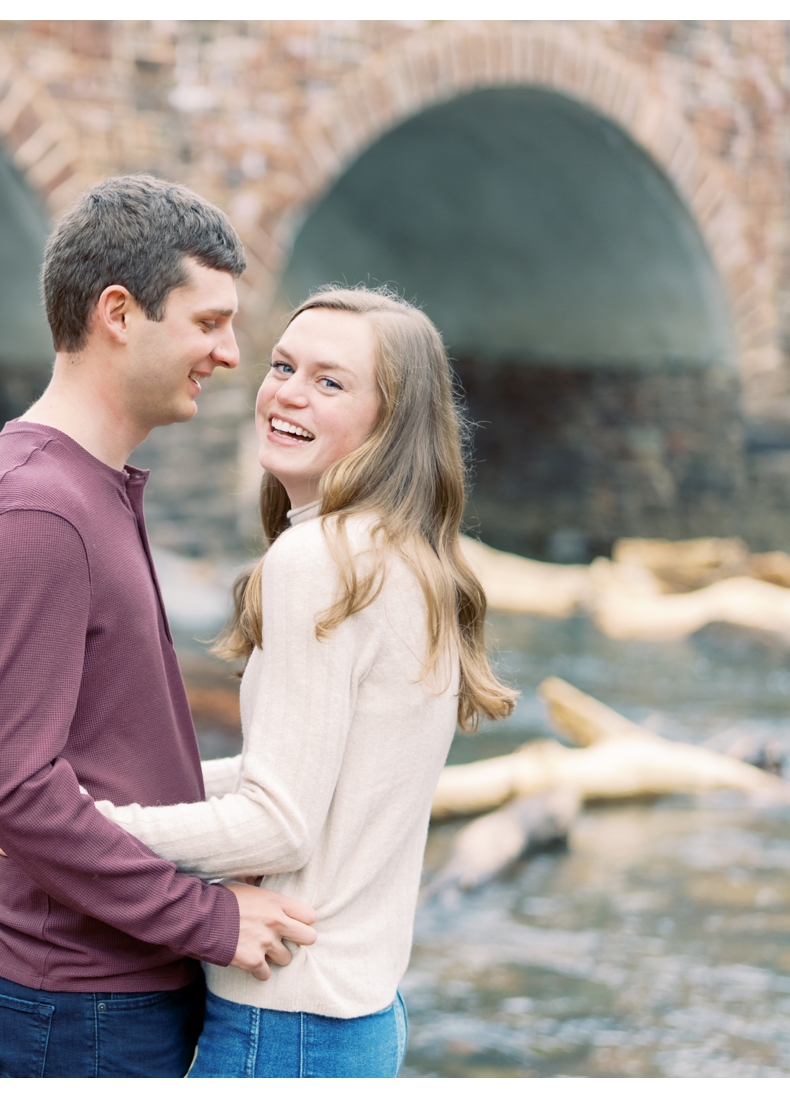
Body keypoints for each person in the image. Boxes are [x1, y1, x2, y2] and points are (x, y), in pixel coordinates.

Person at [0, 175, 318, 1079]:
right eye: (206, 322)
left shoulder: (84, 486)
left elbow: (96, 756)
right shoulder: (40, 511)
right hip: (73, 1000)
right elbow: (8, 788)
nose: (230, 355)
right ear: (118, 312)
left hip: (100, 987)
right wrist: (207, 919)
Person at [92, 285, 519, 1077]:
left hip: (285, 1027)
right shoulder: (410, 557)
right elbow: (301, 780)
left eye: (331, 382)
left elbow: (277, 823)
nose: (288, 392)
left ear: (390, 424)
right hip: (360, 1018)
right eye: (284, 365)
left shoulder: (318, 561)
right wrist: (130, 794)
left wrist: (89, 830)